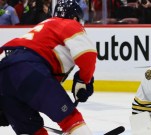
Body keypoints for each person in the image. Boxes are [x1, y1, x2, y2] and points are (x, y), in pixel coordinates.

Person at [0, 0, 97, 134]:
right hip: (29, 70)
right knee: (70, 119)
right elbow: (87, 54)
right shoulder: (68, 23)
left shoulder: (42, 28)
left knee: (30, 130)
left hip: (3, 77)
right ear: (75, 17)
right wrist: (84, 80)